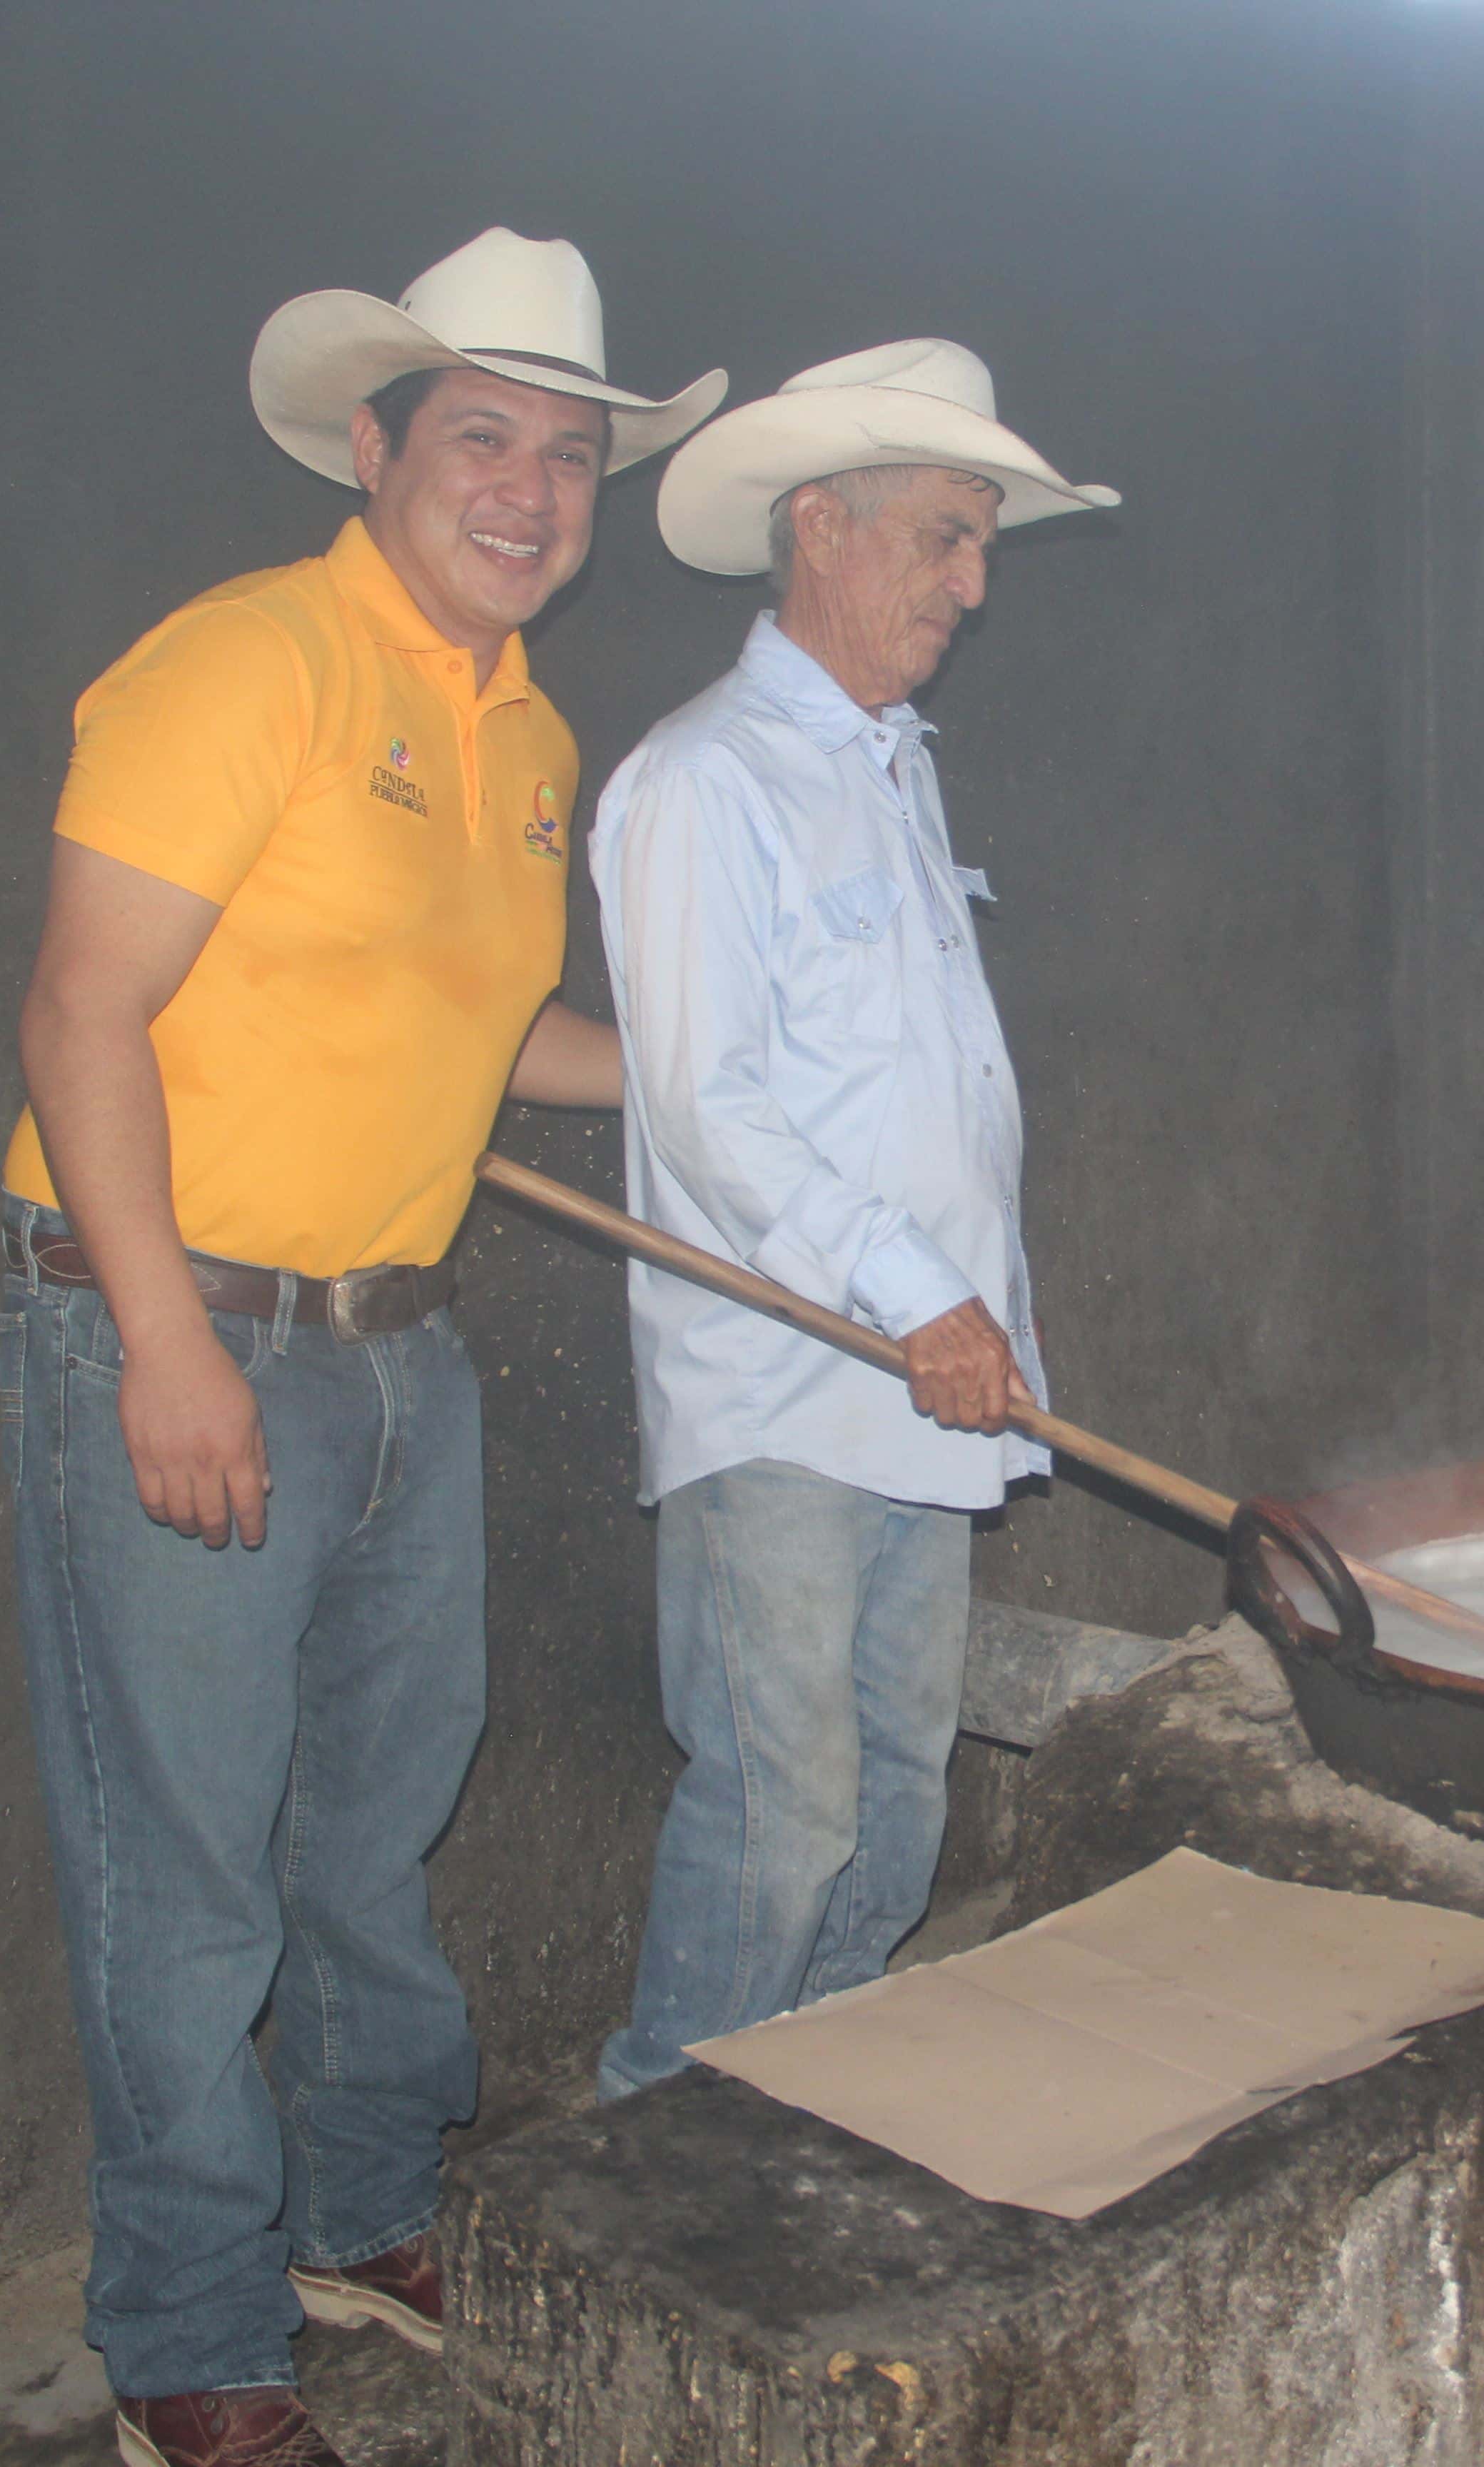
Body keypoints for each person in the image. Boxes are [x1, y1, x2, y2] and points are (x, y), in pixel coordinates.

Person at [0, 228, 717, 2467]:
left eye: (569, 458)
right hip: (185, 1330)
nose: (529, 489)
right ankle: (193, 2336)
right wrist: (158, 1344)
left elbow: (503, 1041)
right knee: (187, 1868)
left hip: (403, 1356)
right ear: (377, 444)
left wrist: (728, 1072)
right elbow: (77, 1010)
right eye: (482, 438)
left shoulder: (527, 734)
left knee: (377, 1835)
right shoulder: (252, 663)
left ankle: (366, 2207)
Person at [586, 340, 1118, 2101]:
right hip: (789, 1391)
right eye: (949, 539)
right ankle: (656, 2158)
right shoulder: (700, 780)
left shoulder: (889, 766)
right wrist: (919, 1296)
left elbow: (928, 1094)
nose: (974, 585)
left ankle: (803, 2119)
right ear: (823, 527)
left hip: (922, 1380)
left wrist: (980, 1319)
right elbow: (708, 1110)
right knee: (782, 1810)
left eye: (980, 548)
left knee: (895, 1795)